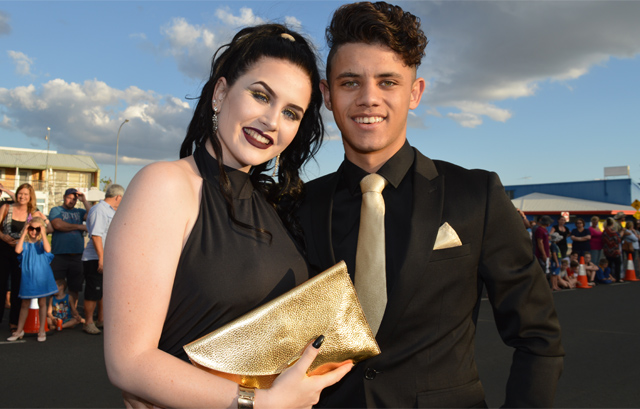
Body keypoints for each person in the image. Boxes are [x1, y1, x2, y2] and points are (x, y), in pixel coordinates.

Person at [297, 2, 564, 407]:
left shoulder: (477, 195)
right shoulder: (300, 206)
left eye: (388, 82)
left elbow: (539, 337)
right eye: (350, 82)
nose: (369, 98)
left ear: (415, 92)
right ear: (327, 95)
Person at [103, 24, 353, 408]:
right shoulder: (166, 185)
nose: (272, 120)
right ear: (220, 93)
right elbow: (129, 363)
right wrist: (260, 404)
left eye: (290, 112)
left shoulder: (274, 207)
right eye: (260, 95)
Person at [0, 183, 49, 330]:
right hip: (3, 249)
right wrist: (2, 236)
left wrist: (44, 219)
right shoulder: (6, 207)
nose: (22, 196)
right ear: (17, 194)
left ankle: (14, 322)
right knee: (1, 286)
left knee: (18, 287)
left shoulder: (33, 213)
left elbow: (47, 229)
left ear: (30, 197)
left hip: (22, 252)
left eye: (26, 194)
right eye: (20, 193)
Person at [81, 184, 125, 335]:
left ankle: (101, 319)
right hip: (95, 258)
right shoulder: (99, 210)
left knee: (103, 291)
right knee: (93, 291)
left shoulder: (109, 210)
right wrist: (101, 258)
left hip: (106, 257)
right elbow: (96, 235)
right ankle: (88, 322)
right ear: (118, 197)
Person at [7, 217, 57, 342]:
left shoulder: (41, 243)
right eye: (31, 228)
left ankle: (41, 330)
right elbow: (17, 250)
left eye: (37, 229)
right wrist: (24, 232)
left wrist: (43, 233)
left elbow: (48, 249)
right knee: (24, 303)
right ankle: (19, 330)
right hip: (28, 277)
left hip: (42, 276)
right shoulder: (25, 243)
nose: (34, 231)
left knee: (42, 303)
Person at [49, 188, 92, 323]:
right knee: (56, 286)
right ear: (64, 197)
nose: (72, 201)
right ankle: (54, 314)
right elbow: (58, 225)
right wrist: (79, 226)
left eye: (74, 199)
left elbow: (93, 216)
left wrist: (84, 200)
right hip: (59, 254)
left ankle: (72, 314)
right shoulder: (56, 210)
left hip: (77, 255)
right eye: (69, 198)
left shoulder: (79, 212)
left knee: (75, 287)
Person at [602, 217, 623, 282]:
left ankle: (610, 277)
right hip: (615, 251)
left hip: (607, 251)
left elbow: (603, 240)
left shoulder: (605, 231)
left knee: (609, 265)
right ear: (612, 224)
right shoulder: (613, 232)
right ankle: (618, 278)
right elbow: (618, 240)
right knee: (617, 265)